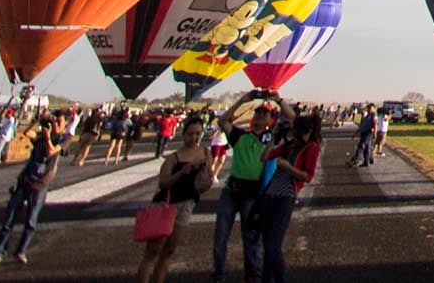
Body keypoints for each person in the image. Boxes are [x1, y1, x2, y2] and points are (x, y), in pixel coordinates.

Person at [136, 115, 212, 283]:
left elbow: (206, 179)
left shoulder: (206, 153)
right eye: (191, 134)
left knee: (169, 250)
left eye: (198, 133)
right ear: (183, 134)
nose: (194, 138)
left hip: (187, 204)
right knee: (153, 251)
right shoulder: (174, 158)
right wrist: (180, 173)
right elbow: (163, 182)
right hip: (166, 204)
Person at [209, 101, 274, 283]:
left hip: (253, 193)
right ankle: (219, 272)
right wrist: (243, 100)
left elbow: (293, 122)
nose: (260, 115)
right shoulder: (240, 136)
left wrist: (278, 99)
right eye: (258, 112)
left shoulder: (273, 139)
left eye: (265, 113)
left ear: (271, 119)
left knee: (252, 237)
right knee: (221, 235)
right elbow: (222, 121)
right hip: (232, 190)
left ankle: (253, 273)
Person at [0, 110, 62, 267]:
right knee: (9, 219)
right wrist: (38, 120)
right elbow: (28, 133)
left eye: (57, 123)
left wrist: (49, 137)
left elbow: (51, 151)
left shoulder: (62, 140)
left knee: (31, 221)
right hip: (24, 182)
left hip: (40, 186)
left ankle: (21, 251)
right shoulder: (40, 137)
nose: (53, 125)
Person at [258, 113, 323, 283]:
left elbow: (308, 176)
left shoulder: (311, 148)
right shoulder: (288, 146)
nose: (301, 136)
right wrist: (274, 137)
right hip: (270, 195)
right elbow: (264, 157)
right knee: (268, 246)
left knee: (273, 246)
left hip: (286, 197)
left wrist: (288, 167)